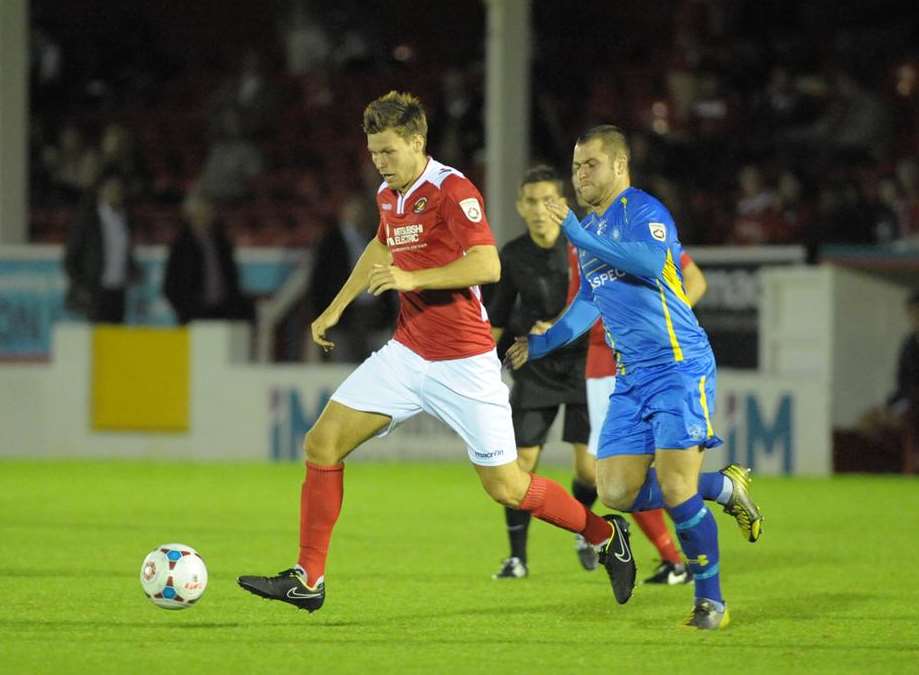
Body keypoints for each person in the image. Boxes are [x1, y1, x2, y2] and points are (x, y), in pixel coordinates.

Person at [237, 92, 634, 613]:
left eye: (389, 152)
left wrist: (412, 277)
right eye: (374, 152)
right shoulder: (388, 193)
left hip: (464, 363)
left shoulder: (452, 189)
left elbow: (488, 264)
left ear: (417, 142)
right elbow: (382, 245)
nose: (380, 163)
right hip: (406, 354)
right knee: (322, 444)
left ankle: (606, 535)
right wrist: (336, 306)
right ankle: (309, 578)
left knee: (508, 487)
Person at [506, 125, 764, 629]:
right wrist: (541, 342)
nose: (580, 175)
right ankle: (723, 488)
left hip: (678, 366)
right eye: (576, 166)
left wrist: (578, 235)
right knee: (615, 492)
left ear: (619, 166)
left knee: (673, 487)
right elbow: (587, 304)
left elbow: (650, 262)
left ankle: (711, 602)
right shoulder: (590, 233)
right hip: (630, 378)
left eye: (590, 165)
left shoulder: (643, 211)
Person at [486, 165, 596, 579]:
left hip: (586, 365)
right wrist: (480, 364)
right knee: (520, 466)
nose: (537, 210)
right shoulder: (512, 255)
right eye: (530, 201)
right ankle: (517, 558)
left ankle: (586, 531)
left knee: (588, 470)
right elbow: (495, 318)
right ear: (519, 206)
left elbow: (602, 302)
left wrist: (564, 327)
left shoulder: (584, 247)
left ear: (562, 204)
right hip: (533, 369)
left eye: (547, 200)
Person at [584, 252, 707, 586]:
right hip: (605, 367)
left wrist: (669, 318)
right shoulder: (581, 243)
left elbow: (695, 279)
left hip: (655, 365)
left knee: (633, 474)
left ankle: (680, 561)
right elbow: (581, 304)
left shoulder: (641, 229)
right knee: (619, 476)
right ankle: (676, 558)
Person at [308, 193, 396, 362]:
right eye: (355, 210)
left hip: (373, 312)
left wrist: (388, 312)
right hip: (344, 314)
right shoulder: (330, 241)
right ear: (344, 212)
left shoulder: (374, 237)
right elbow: (319, 281)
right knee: (344, 363)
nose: (359, 214)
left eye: (362, 210)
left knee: (375, 364)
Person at [162, 191, 254, 324]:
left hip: (222, 310)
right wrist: (185, 308)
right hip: (194, 312)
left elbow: (231, 274)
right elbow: (171, 283)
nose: (207, 214)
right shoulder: (181, 244)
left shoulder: (220, 241)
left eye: (208, 209)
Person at [64, 171, 140, 323]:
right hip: (96, 291)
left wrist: (133, 269)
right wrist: (81, 285)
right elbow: (70, 257)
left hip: (118, 291)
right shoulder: (88, 219)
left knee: (116, 338)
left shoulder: (124, 219)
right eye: (111, 188)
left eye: (119, 189)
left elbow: (125, 252)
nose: (115, 193)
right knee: (98, 337)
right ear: (101, 191)